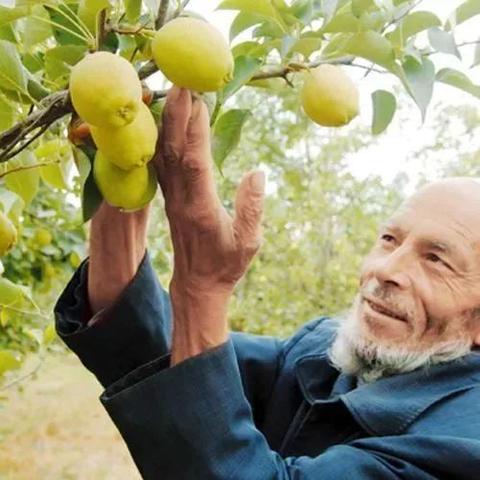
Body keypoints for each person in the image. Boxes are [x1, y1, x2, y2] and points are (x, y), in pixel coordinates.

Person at [55, 87, 480, 479]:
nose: (386, 269)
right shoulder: (322, 352)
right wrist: (120, 162)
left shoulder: (465, 443)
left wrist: (201, 287)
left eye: (437, 260)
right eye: (390, 239)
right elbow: (154, 352)